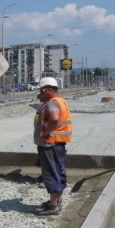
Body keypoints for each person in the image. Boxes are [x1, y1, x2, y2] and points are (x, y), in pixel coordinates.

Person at [33, 77, 72, 216]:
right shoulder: (61, 101)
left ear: (48, 90)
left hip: (50, 144)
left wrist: (47, 133)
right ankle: (58, 201)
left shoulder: (53, 103)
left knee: (50, 172)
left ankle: (53, 206)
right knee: (58, 171)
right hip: (58, 143)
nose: (40, 94)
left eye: (41, 91)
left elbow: (55, 118)